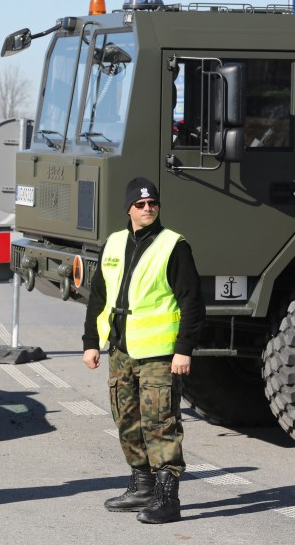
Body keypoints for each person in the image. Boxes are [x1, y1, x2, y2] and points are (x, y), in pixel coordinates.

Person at [82, 177, 203, 524]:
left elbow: (192, 302)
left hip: (159, 354)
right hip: (121, 349)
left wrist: (184, 350)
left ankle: (168, 498)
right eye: (140, 204)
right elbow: (98, 297)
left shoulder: (173, 246)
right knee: (126, 418)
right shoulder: (114, 243)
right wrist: (91, 342)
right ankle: (142, 485)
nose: (148, 208)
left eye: (153, 203)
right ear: (128, 209)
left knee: (161, 422)